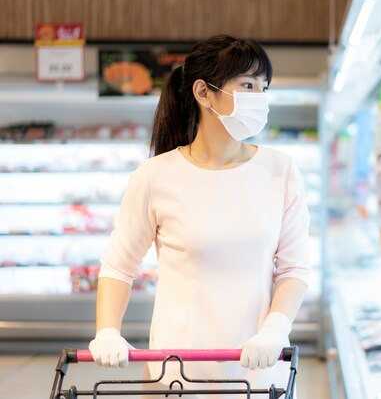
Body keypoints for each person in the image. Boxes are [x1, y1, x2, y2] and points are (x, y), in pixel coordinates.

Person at [87, 35, 311, 398]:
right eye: (248, 85)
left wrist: (276, 328)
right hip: (175, 371)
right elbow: (118, 266)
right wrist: (107, 331)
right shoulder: (154, 175)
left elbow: (294, 268)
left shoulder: (281, 170)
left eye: (264, 87)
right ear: (204, 93)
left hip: (259, 366)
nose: (260, 97)